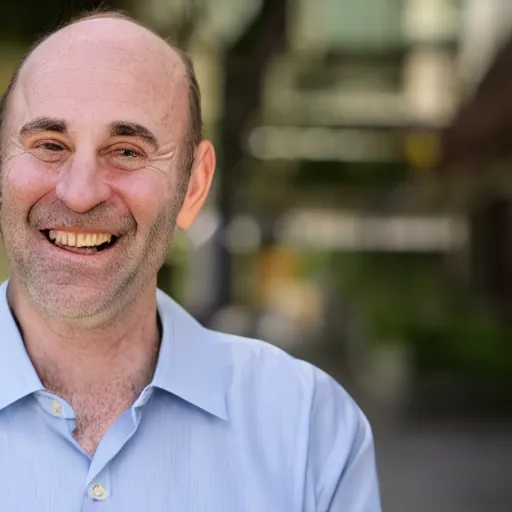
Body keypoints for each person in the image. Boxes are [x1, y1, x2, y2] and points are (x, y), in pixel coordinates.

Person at [0, 10, 381, 511]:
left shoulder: (307, 426)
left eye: (127, 151)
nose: (79, 193)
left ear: (194, 185)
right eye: (50, 145)